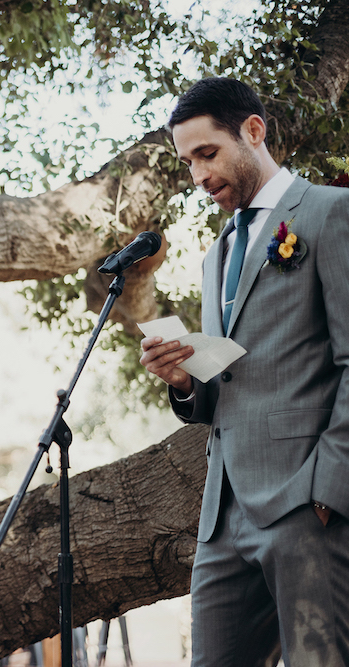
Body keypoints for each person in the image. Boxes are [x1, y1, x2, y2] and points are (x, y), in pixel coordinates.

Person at [140, 78, 349, 665]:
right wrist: (183, 382)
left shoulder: (333, 214)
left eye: (207, 153)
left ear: (253, 132)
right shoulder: (216, 254)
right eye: (187, 163)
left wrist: (327, 490)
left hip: (306, 508)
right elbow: (225, 386)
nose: (198, 175)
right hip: (222, 517)